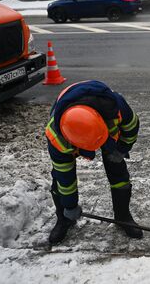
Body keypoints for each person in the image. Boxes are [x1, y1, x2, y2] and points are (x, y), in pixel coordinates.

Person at [45, 80, 142, 244]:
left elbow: (131, 127)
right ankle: (64, 219)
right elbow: (65, 176)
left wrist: (122, 148)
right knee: (60, 179)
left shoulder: (117, 108)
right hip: (76, 123)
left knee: (118, 171)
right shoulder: (57, 136)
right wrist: (70, 205)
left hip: (102, 126)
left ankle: (123, 217)